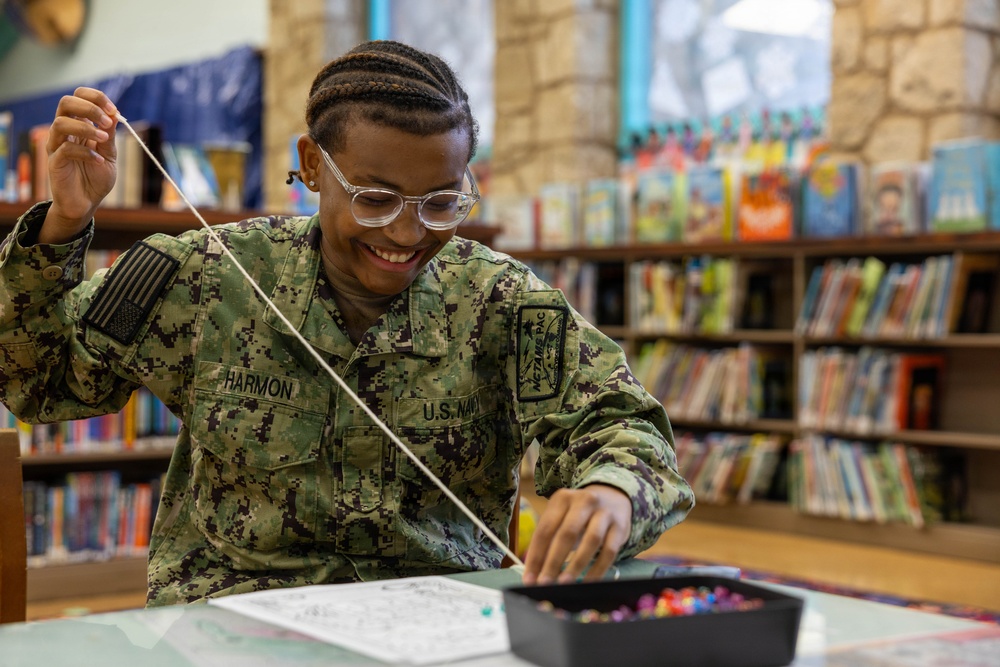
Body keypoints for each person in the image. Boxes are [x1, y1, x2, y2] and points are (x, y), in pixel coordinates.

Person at [0, 40, 694, 606]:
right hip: (229, 627)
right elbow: (41, 384)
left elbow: (625, 425)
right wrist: (66, 221)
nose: (406, 231)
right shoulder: (207, 276)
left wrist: (612, 491)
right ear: (310, 166)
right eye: (374, 197)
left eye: (441, 202)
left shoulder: (501, 301)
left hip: (440, 627)